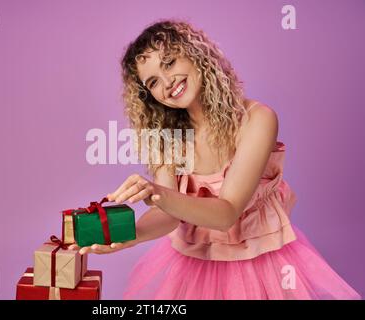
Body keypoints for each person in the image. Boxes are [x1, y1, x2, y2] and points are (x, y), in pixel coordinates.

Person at [69, 19, 361, 300]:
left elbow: (226, 214)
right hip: (195, 262)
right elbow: (168, 216)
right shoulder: (170, 136)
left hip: (260, 262)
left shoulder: (256, 120)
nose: (167, 83)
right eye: (154, 82)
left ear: (195, 55)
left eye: (169, 62)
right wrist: (126, 236)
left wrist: (156, 193)